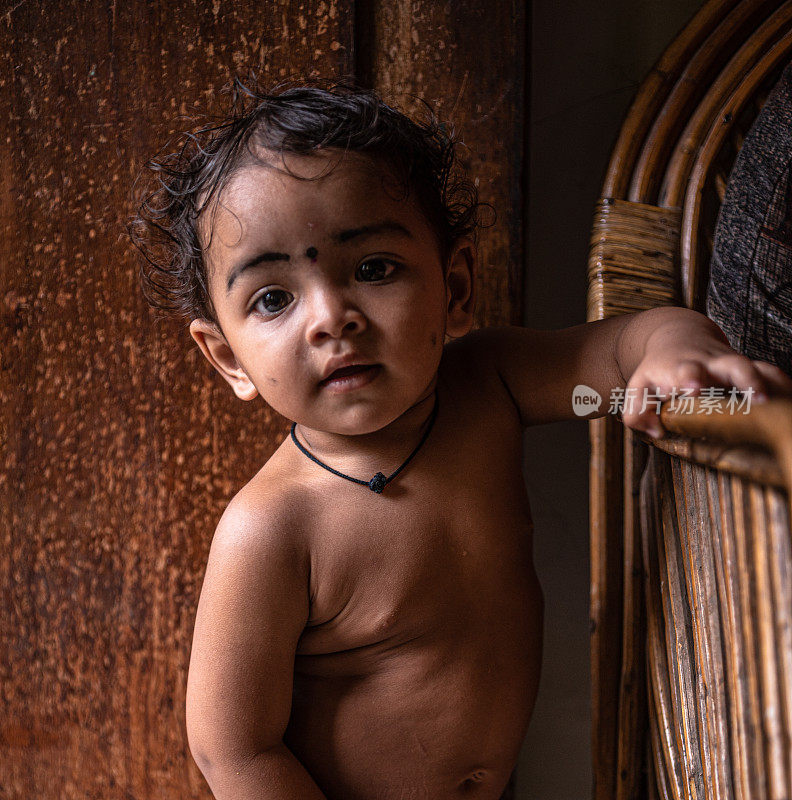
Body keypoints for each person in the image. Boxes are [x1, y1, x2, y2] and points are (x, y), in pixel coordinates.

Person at [129, 80, 792, 800]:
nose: (331, 317)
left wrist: (670, 354)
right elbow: (234, 749)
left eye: (374, 268)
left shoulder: (490, 389)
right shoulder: (270, 529)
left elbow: (616, 357)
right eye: (273, 298)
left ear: (455, 288)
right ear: (228, 357)